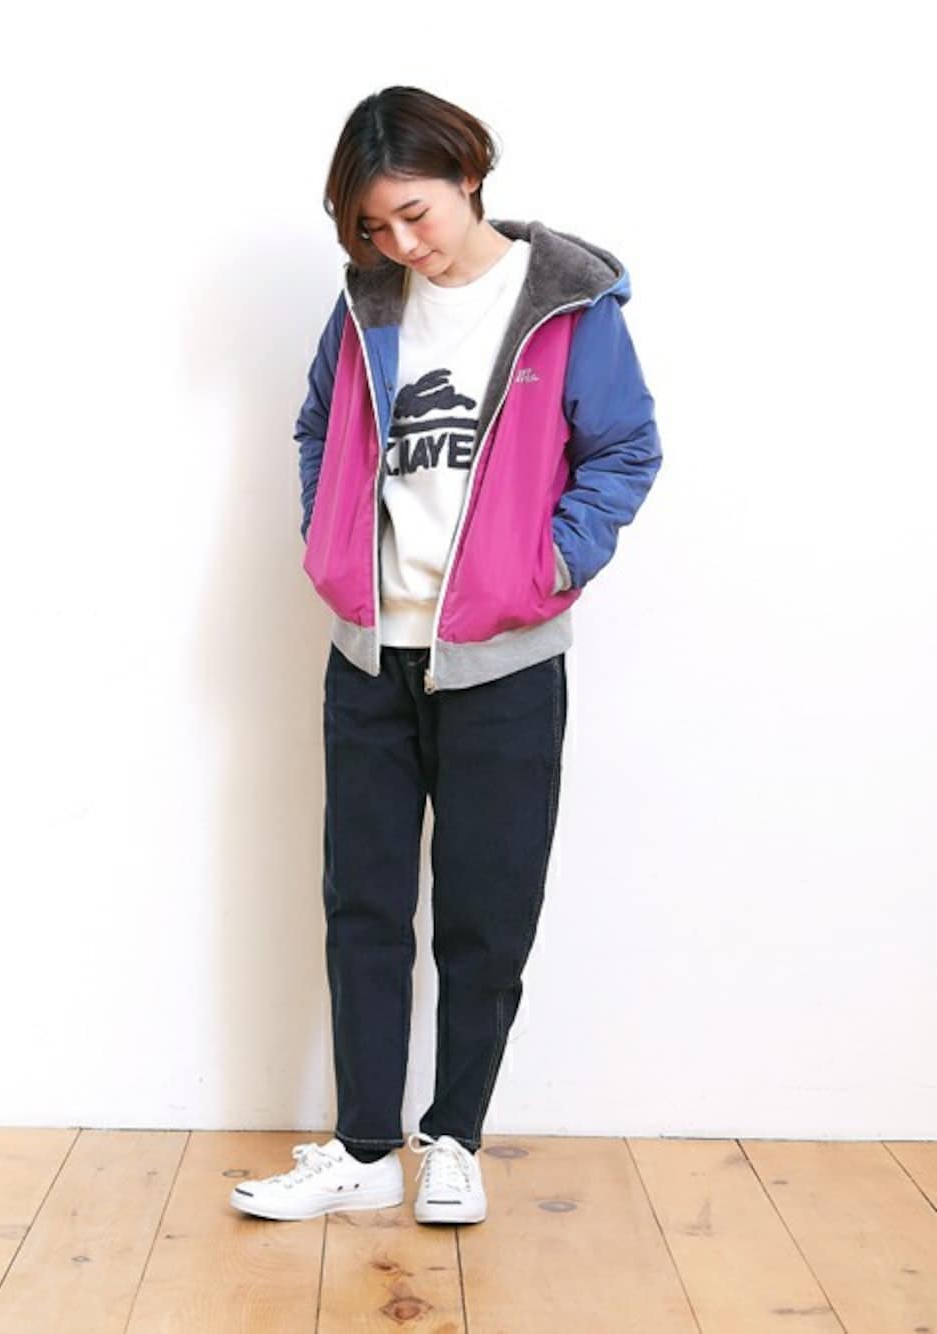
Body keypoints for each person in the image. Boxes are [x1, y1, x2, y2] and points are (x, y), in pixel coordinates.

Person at [230, 85, 662, 1226]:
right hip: (371, 653)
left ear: (469, 175)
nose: (400, 244)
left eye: (413, 213)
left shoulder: (566, 301)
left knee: (485, 912)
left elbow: (625, 449)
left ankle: (455, 1139)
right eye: (373, 227)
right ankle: (365, 1148)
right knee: (363, 905)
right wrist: (331, 546)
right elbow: (319, 426)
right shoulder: (366, 302)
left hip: (504, 662)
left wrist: (548, 565)